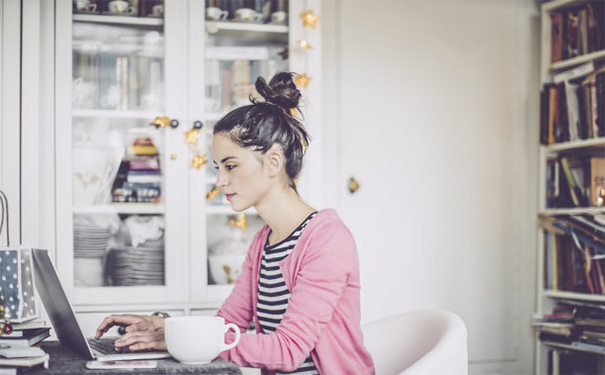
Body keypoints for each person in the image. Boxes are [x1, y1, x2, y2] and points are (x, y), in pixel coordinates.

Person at [95, 72, 375, 375]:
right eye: (218, 168)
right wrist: (165, 327)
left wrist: (179, 341)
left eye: (230, 166)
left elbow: (288, 351)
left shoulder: (326, 239)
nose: (220, 180)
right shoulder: (263, 242)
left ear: (273, 162)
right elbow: (228, 324)